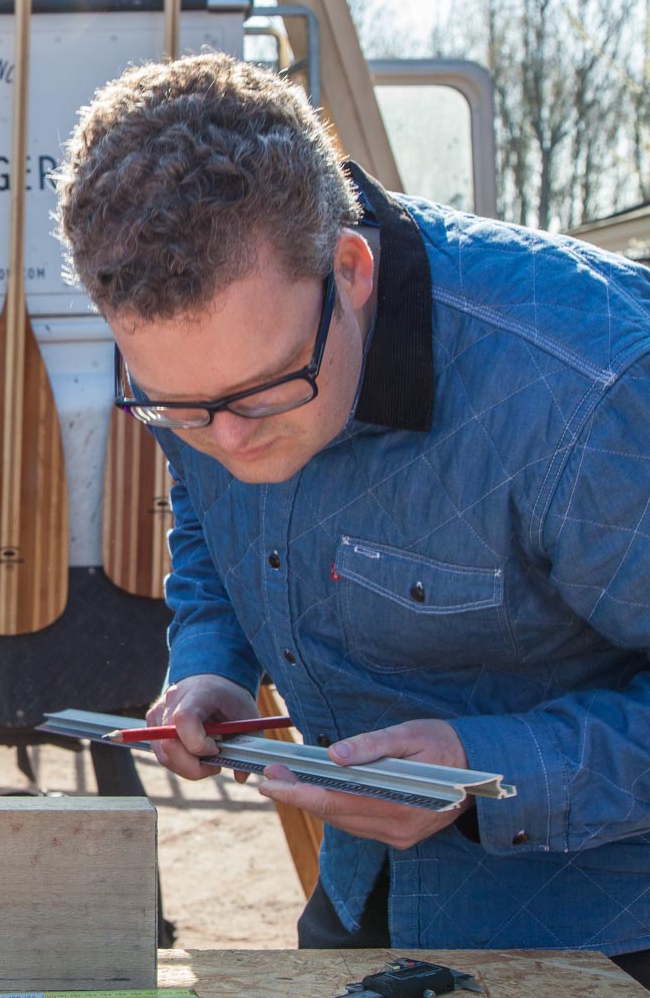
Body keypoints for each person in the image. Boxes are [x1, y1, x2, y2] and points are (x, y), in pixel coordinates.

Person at [55, 52, 650, 982]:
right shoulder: (200, 369)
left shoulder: (587, 395)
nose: (228, 440)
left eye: (262, 394)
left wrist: (489, 769)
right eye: (179, 411)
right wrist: (214, 667)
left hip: (607, 929)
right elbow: (213, 525)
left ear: (350, 268)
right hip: (365, 894)